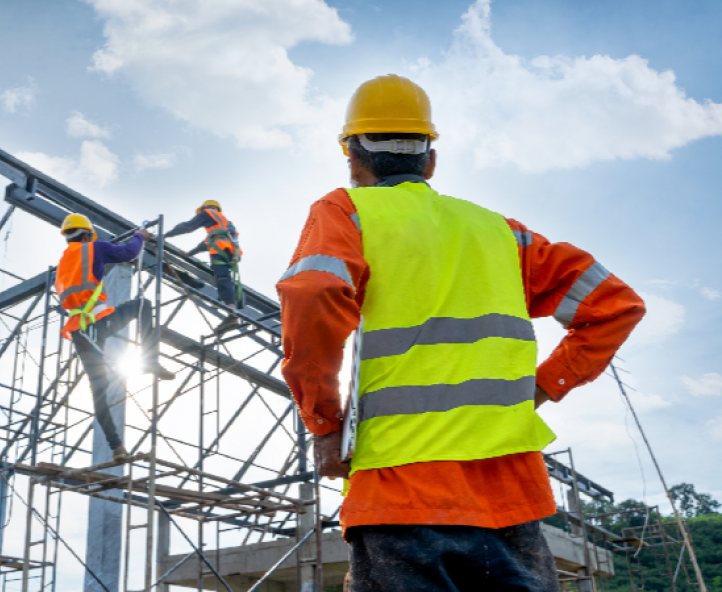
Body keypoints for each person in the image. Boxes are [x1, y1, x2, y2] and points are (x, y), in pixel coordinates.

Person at [276, 75, 646, 591]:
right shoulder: (501, 232)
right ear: (430, 160)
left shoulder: (345, 212)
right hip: (511, 498)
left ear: (352, 158)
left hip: (398, 492)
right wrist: (540, 387)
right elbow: (616, 304)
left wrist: (323, 424)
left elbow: (313, 293)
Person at [55, 213, 175, 461]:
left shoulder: (64, 262)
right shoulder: (95, 247)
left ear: (67, 237)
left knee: (98, 389)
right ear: (87, 234)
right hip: (98, 319)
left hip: (79, 329)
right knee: (143, 305)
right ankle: (149, 359)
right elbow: (129, 254)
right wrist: (139, 237)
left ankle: (116, 448)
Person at [166, 200, 243, 330]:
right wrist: (190, 253)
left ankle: (231, 312)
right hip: (229, 252)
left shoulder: (208, 212)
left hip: (221, 251)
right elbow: (205, 243)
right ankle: (232, 310)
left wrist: (165, 235)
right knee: (223, 278)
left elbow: (187, 226)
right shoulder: (224, 225)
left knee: (223, 278)